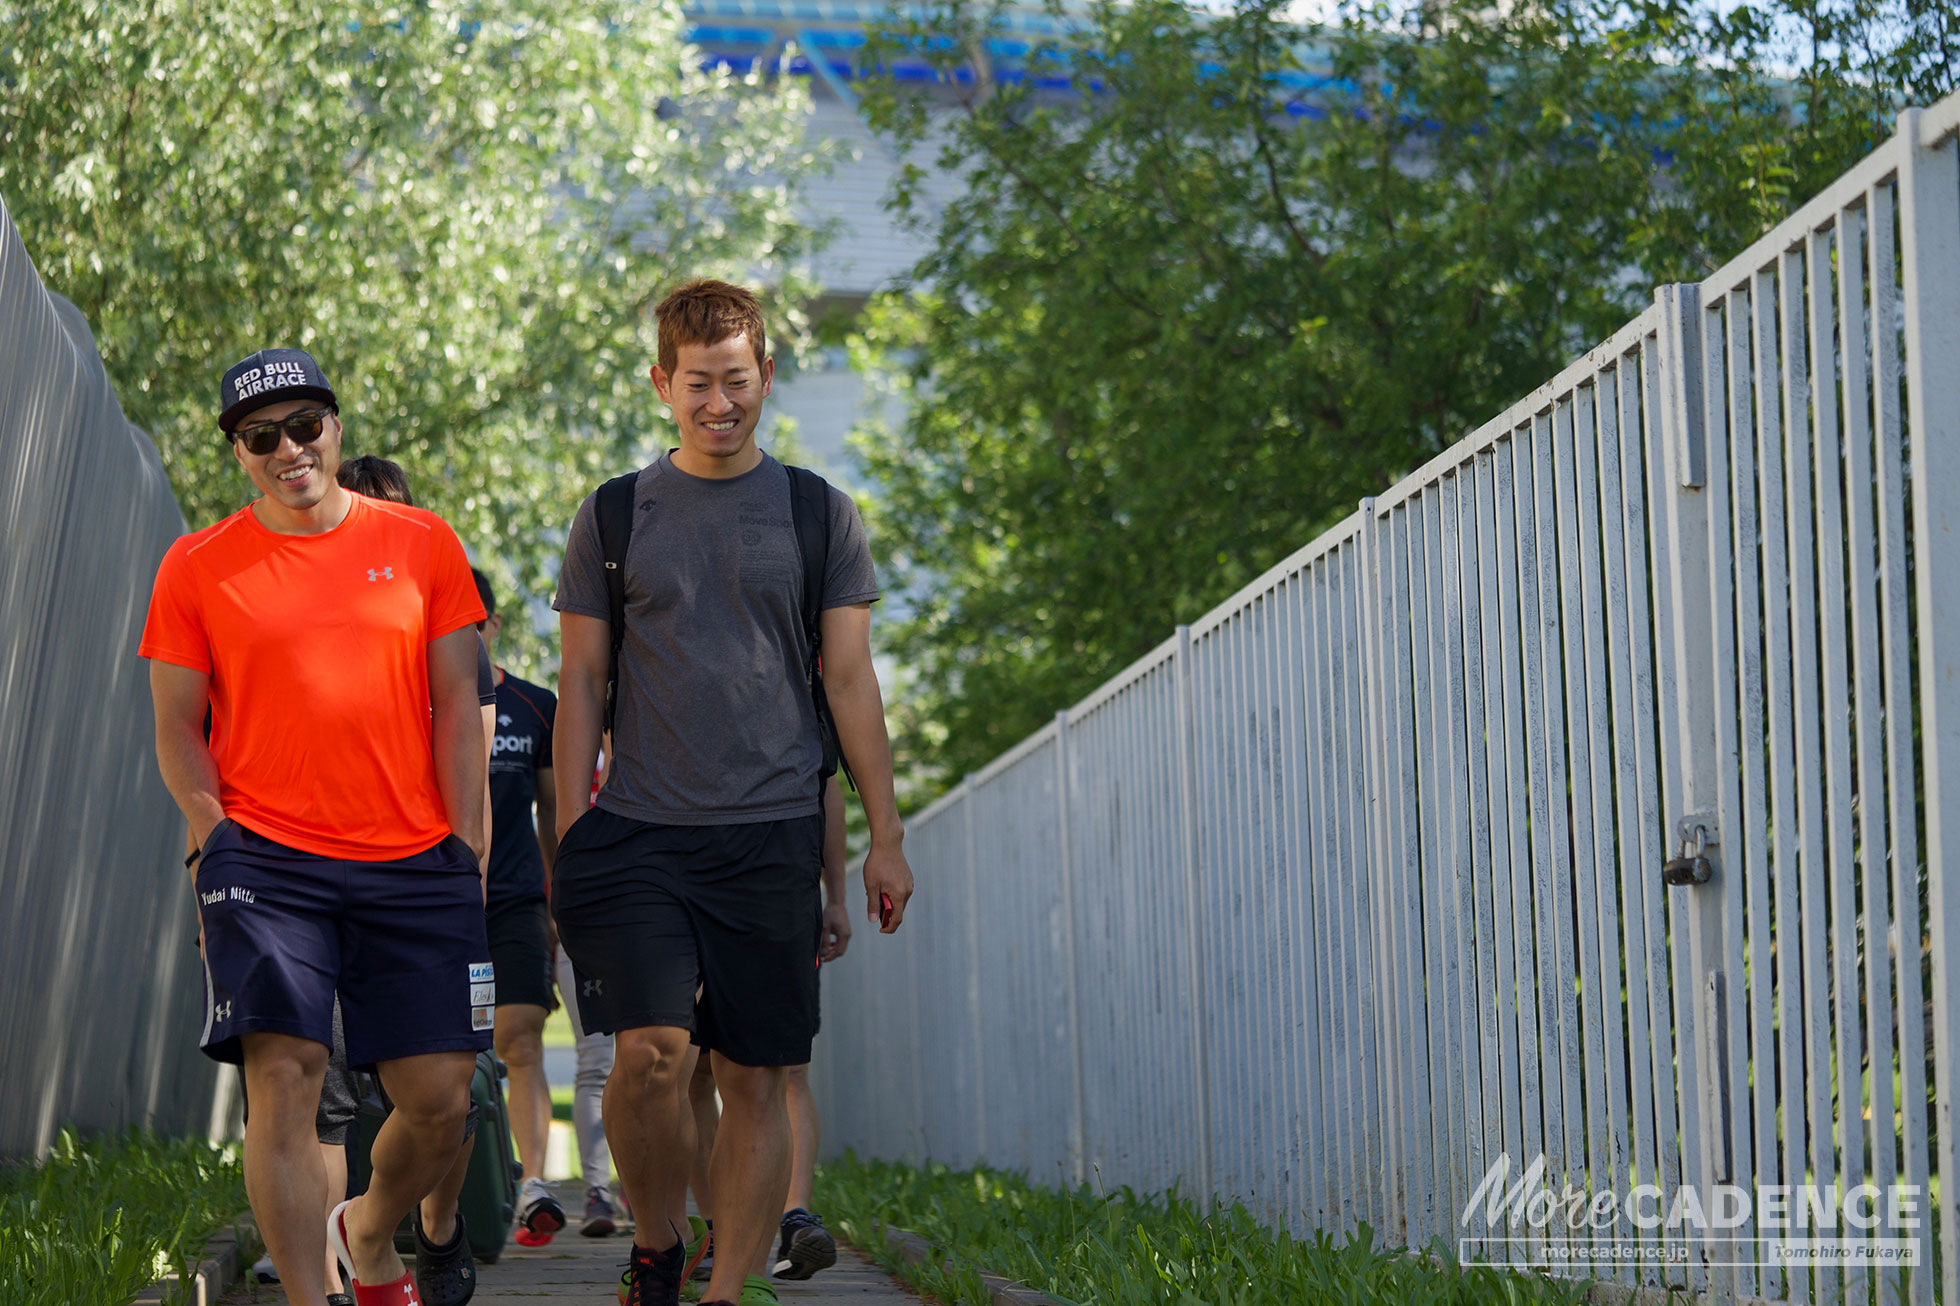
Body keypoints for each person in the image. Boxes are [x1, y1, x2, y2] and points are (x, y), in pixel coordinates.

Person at [549, 279, 914, 1306]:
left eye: (738, 380)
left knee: (754, 1075)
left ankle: (724, 1291)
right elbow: (581, 679)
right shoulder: (614, 515)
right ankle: (659, 1237)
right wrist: (574, 829)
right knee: (653, 1057)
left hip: (770, 832)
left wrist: (882, 837)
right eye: (699, 382)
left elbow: (848, 680)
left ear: (765, 378)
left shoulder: (815, 513)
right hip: (638, 833)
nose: (721, 401)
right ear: (663, 383)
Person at [142, 349, 491, 1306]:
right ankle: (310, 1297)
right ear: (240, 455)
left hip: (416, 857)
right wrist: (213, 832)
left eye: (305, 426)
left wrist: (468, 845)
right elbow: (177, 723)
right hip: (267, 858)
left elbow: (461, 700)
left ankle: (370, 1231)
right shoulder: (198, 565)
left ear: (336, 428)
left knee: (441, 1101)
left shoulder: (422, 542)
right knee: (287, 1075)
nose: (289, 449)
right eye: (264, 437)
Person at [335, 457, 498, 1306]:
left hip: (433, 877)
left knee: (451, 1090)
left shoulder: (445, 614)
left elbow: (474, 747)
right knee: (318, 1090)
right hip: (321, 876)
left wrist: (469, 867)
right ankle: (348, 1251)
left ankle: (432, 1225)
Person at [466, 566, 569, 1246]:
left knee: (520, 1033)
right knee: (465, 1050)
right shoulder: (425, 709)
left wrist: (564, 902)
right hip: (446, 907)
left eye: (474, 623)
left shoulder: (535, 707)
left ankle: (534, 1179)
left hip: (517, 904)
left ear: (494, 626)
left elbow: (556, 814)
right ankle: (481, 1178)